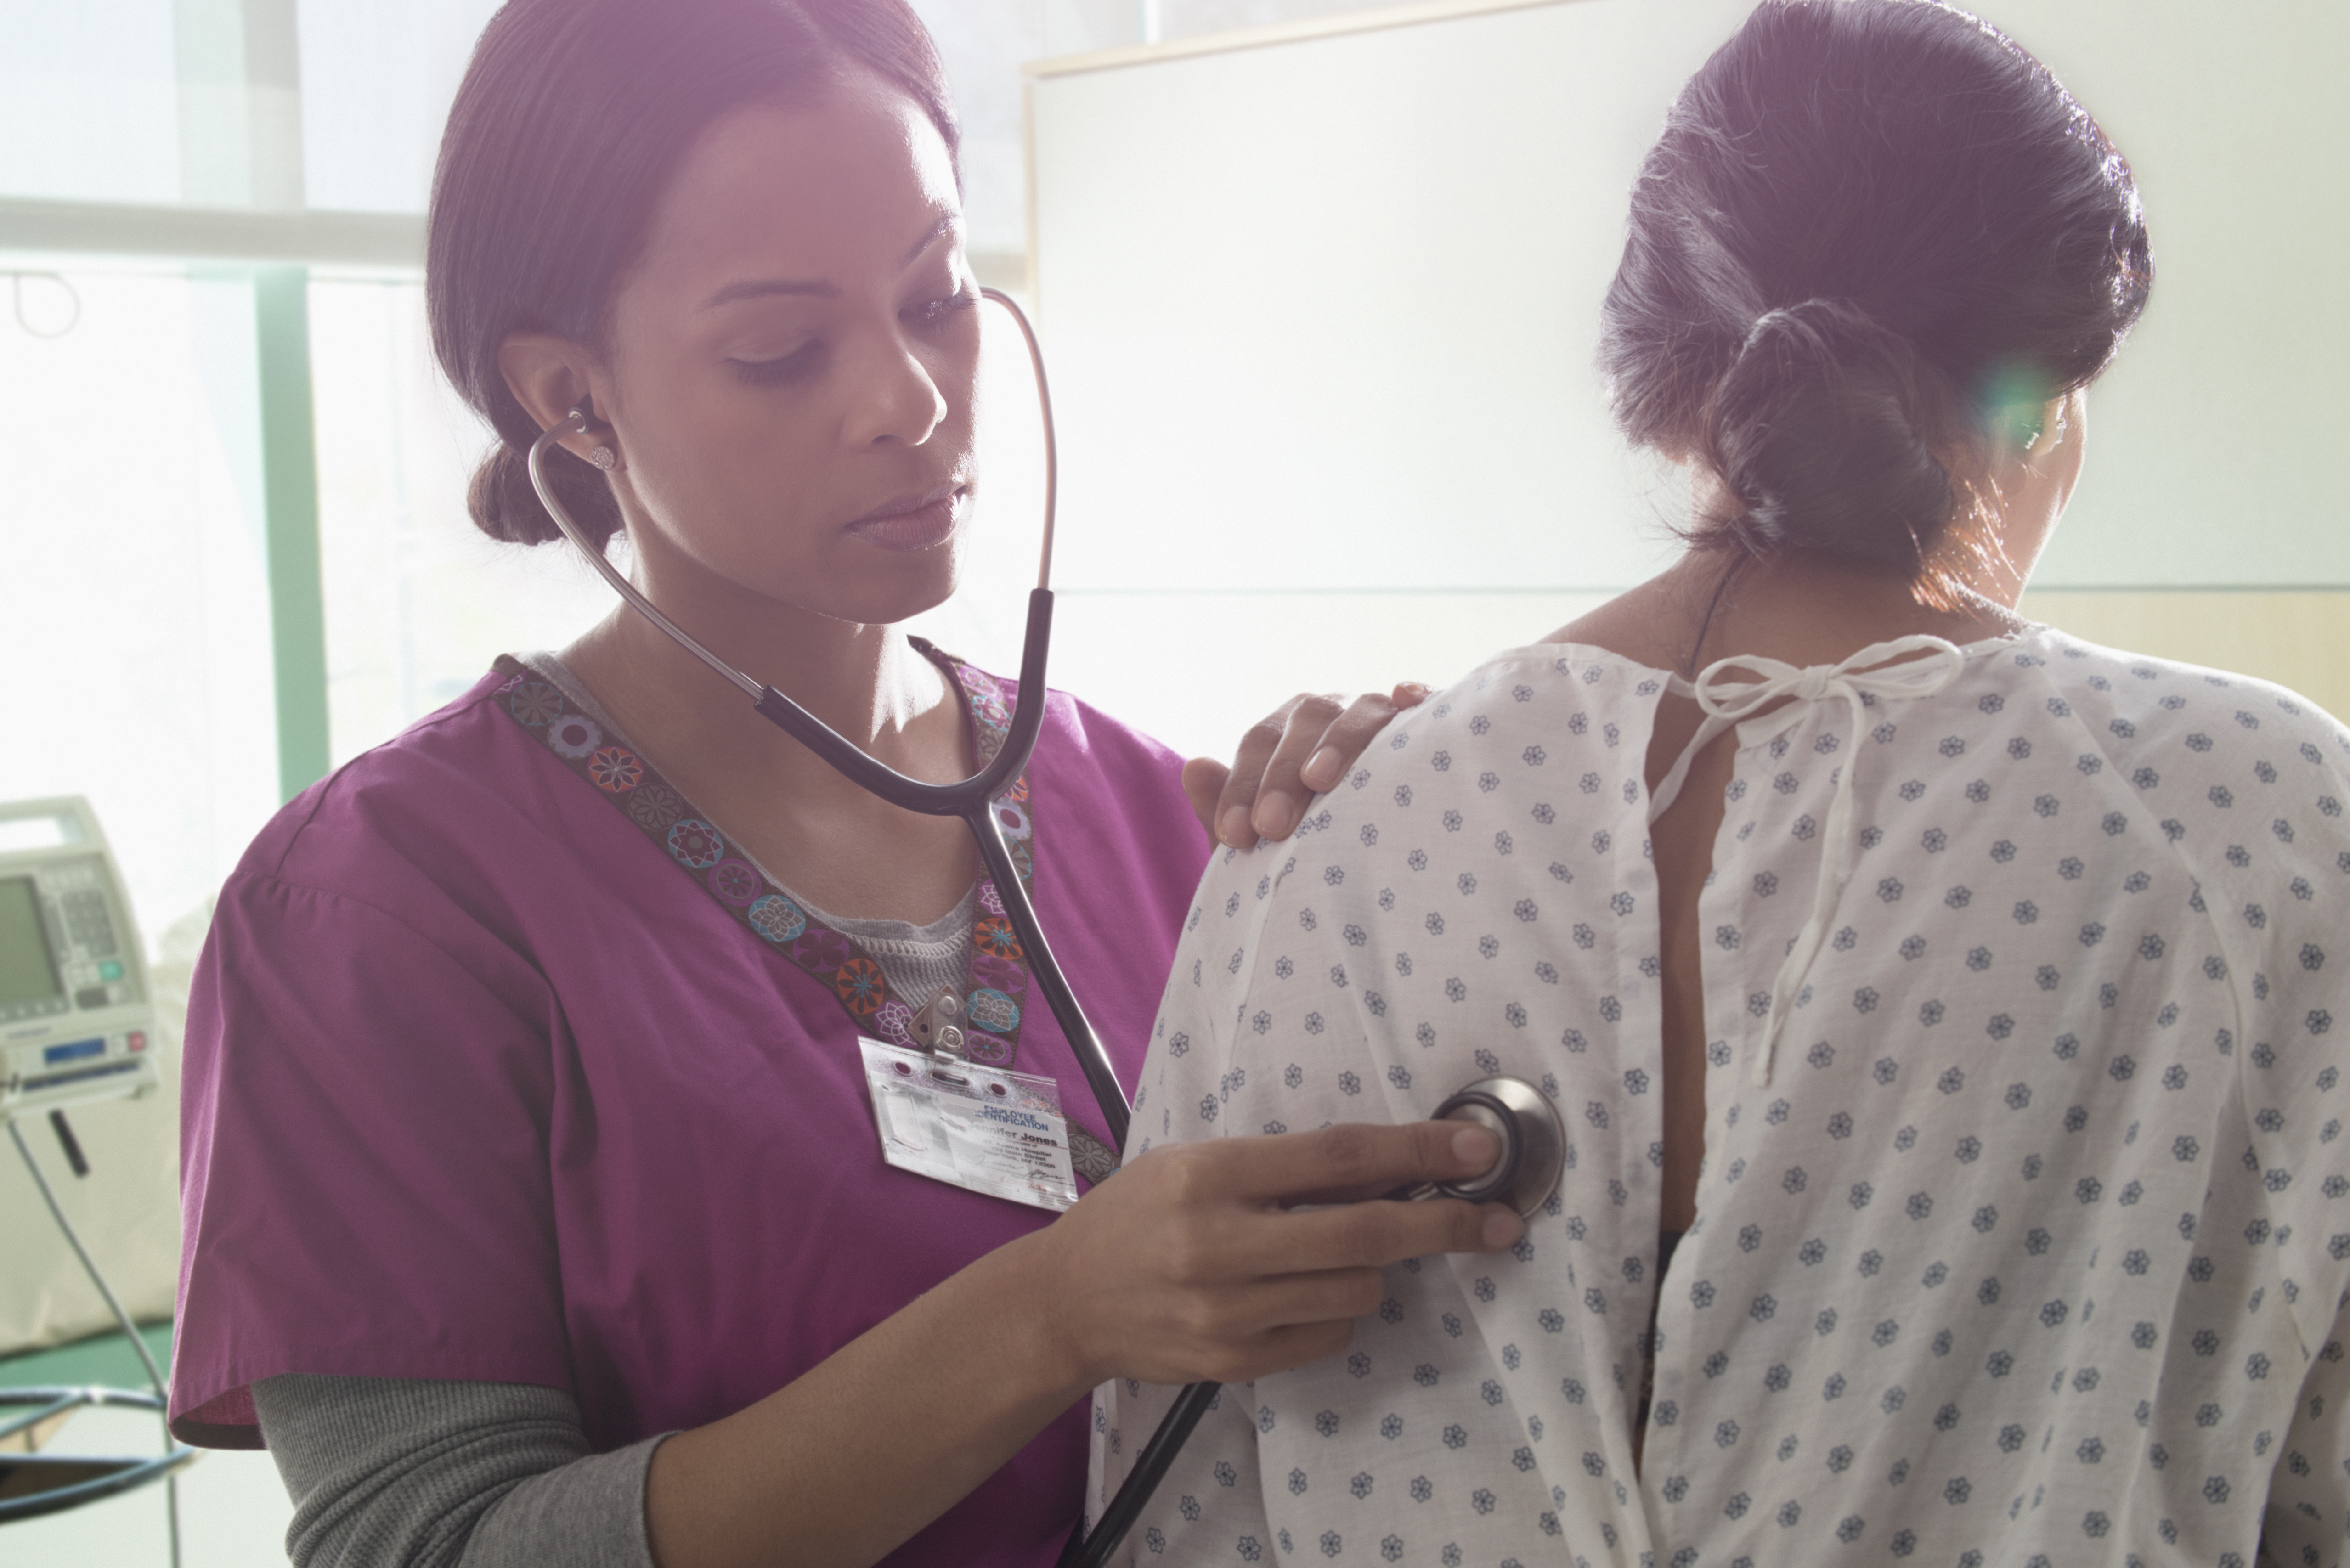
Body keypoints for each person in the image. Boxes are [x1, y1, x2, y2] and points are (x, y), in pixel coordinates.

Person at [164, 4, 1531, 1567]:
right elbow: (424, 1546)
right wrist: (1048, 1315)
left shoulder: (1168, 819)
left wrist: (1425, 836)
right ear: (569, 397)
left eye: (937, 296)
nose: (913, 400)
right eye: (779, 349)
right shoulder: (382, 912)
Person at [1092, 3, 2350, 1563]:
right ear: (2046, 397)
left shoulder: (1313, 837)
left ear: (1672, 364)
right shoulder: (2265, 825)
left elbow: (1178, 1499)